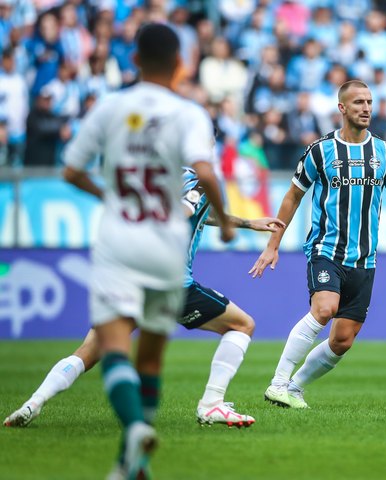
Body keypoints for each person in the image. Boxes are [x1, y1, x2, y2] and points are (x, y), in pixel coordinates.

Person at [59, 24, 234, 480]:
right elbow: (207, 176)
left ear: (134, 61)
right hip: (166, 252)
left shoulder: (110, 107)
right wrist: (229, 222)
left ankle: (134, 426)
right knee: (151, 359)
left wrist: (111, 198)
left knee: (114, 348)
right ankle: (132, 464)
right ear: (180, 64)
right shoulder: (191, 114)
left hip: (120, 243)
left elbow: (72, 171)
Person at [3, 166, 285, 431]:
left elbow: (197, 212)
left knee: (90, 349)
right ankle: (211, 404)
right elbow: (184, 211)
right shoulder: (199, 178)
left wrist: (247, 223)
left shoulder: (153, 172)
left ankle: (33, 403)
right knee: (242, 325)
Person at [249, 80, 386, 409]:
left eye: (369, 102)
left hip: (364, 259)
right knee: (324, 309)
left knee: (343, 340)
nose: (366, 108)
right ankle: (277, 383)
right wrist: (273, 244)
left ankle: (295, 387)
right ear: (342, 108)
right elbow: (292, 197)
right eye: (358, 102)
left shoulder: (385, 153)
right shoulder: (320, 150)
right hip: (326, 250)